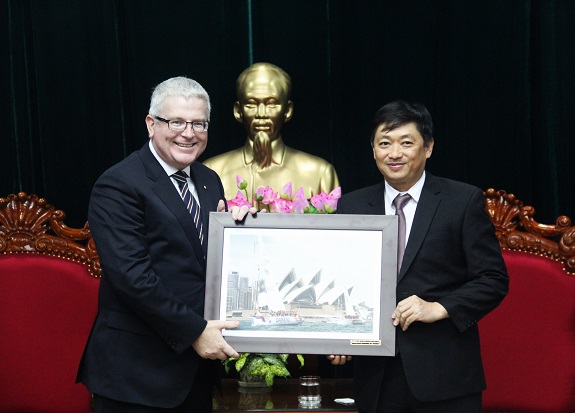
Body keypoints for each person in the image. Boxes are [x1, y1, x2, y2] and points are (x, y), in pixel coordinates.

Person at [76, 76, 254, 413]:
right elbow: (133, 277)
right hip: (137, 377)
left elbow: (204, 262)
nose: (188, 133)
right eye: (176, 122)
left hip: (194, 375)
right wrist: (196, 332)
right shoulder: (118, 184)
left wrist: (240, 229)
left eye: (199, 123)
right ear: (151, 124)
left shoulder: (208, 180)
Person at [330, 100, 509, 412]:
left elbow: (493, 279)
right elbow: (340, 280)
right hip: (377, 378)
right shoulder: (352, 205)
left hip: (445, 377)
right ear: (373, 150)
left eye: (406, 143)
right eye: (384, 143)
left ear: (428, 148)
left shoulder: (462, 201)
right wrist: (340, 334)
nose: (394, 153)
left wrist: (438, 307)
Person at [203, 62, 339, 204]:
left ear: (288, 110)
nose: (261, 114)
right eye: (251, 104)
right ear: (238, 111)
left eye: (272, 104)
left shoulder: (319, 173)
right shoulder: (212, 172)